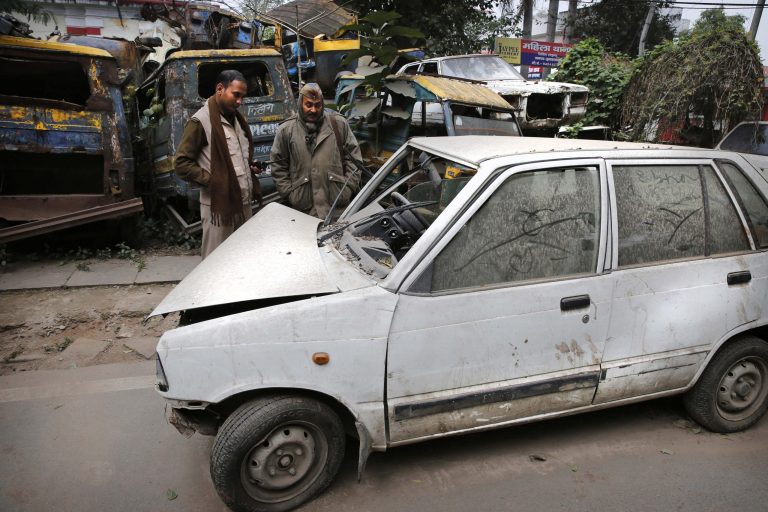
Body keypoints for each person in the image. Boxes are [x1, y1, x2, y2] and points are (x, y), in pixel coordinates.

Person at [175, 69, 262, 259]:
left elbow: (235, 156)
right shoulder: (201, 121)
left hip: (242, 203)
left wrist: (249, 166)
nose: (240, 101)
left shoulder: (237, 119)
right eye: (236, 95)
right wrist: (213, 180)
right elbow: (181, 163)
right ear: (220, 89)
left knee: (242, 261)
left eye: (242, 97)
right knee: (215, 264)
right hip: (219, 206)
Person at [270, 83, 363, 222]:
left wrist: (347, 189)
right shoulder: (286, 130)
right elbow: (278, 166)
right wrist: (291, 194)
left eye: (317, 105)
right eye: (308, 105)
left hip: (336, 209)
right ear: (300, 104)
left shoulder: (338, 125)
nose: (313, 110)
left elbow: (355, 160)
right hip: (303, 212)